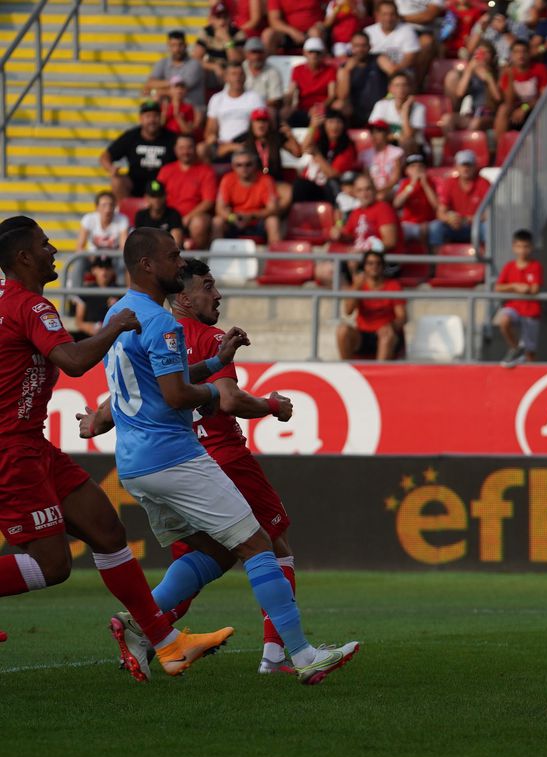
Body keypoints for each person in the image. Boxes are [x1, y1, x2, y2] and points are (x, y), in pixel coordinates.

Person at [92, 227, 359, 684]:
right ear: (147, 265)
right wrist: (214, 396)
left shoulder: (119, 314)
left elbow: (158, 380)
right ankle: (299, 655)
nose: (180, 263)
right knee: (259, 545)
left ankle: (143, 627)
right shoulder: (162, 323)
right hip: (175, 456)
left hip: (134, 464)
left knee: (216, 552)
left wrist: (217, 363)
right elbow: (176, 394)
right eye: (173, 256)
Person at [0, 215, 233, 680]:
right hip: (11, 450)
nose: (54, 252)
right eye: (46, 245)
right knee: (53, 565)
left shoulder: (11, 303)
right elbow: (71, 362)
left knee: (106, 530)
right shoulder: (29, 307)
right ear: (24, 257)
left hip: (31, 444)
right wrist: (117, 326)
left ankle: (166, 645)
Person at [79, 257, 300, 674]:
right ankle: (281, 654)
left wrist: (98, 419)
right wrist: (272, 405)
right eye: (207, 285)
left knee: (205, 558)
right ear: (183, 295)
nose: (217, 294)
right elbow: (226, 399)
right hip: (214, 458)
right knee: (273, 545)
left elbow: (146, 390)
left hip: (166, 463)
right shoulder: (197, 335)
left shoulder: (139, 324)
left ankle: (145, 634)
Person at [336, 249, 407, 360]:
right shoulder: (358, 286)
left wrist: (390, 326)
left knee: (386, 335)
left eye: (378, 263)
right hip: (363, 335)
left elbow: (402, 317)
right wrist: (356, 288)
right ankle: (346, 370)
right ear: (364, 267)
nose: (374, 267)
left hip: (386, 334)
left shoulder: (393, 286)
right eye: (370, 263)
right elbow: (348, 311)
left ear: (383, 266)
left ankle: (379, 374)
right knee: (342, 330)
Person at [101, 101, 178, 200]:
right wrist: (111, 168)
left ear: (161, 118)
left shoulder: (171, 137)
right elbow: (105, 156)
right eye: (148, 116)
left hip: (164, 185)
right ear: (141, 119)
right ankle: (123, 213)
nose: (152, 120)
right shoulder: (131, 136)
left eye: (155, 116)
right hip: (135, 183)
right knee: (117, 181)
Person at [155, 134, 218, 250]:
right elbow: (156, 194)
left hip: (193, 217)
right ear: (175, 150)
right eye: (181, 148)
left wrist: (188, 217)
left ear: (195, 149)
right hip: (168, 216)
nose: (185, 151)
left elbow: (209, 201)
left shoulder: (206, 171)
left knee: (199, 223)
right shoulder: (166, 170)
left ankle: (197, 261)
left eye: (189, 147)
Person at [234, 106, 304, 209]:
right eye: (257, 121)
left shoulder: (275, 137)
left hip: (274, 181)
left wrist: (290, 136)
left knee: (289, 192)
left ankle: (272, 212)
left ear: (269, 124)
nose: (261, 125)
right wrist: (237, 147)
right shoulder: (246, 138)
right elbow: (221, 150)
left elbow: (298, 153)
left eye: (264, 121)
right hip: (254, 181)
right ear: (252, 124)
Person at [493, 228, 542, 366]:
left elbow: (534, 288)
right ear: (514, 247)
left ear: (531, 247)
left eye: (526, 246)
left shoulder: (535, 266)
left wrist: (527, 289)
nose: (522, 250)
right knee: (504, 321)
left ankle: (530, 376)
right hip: (513, 307)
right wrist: (515, 286)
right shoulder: (509, 266)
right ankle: (515, 348)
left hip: (530, 311)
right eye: (519, 246)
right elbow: (498, 287)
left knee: (530, 352)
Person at [203, 61, 267, 162]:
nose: (237, 77)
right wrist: (212, 137)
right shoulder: (217, 99)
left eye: (240, 74)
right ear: (226, 78)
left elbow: (261, 125)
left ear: (245, 77)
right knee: (202, 149)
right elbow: (210, 129)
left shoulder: (254, 98)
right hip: (224, 144)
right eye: (233, 74)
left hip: (248, 142)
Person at [213, 148, 282, 242]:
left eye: (248, 164)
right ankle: (216, 256)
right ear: (233, 166)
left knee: (273, 221)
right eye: (239, 165)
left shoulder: (266, 180)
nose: (244, 169)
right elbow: (220, 209)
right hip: (234, 220)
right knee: (217, 222)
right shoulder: (227, 179)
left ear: (255, 165)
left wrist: (251, 216)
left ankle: (275, 256)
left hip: (258, 221)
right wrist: (233, 218)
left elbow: (273, 209)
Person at [294, 108, 359, 203]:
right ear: (324, 124)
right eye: (331, 122)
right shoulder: (320, 138)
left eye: (338, 122)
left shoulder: (347, 147)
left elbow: (332, 174)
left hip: (328, 190)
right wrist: (313, 126)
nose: (335, 126)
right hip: (310, 182)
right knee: (298, 185)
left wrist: (316, 154)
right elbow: (304, 148)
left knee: (301, 186)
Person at [429, 149, 490, 247]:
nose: (465, 169)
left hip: (475, 225)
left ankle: (487, 260)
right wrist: (449, 219)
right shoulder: (449, 183)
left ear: (474, 167)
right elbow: (440, 212)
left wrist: (467, 220)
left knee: (487, 227)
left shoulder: (483, 183)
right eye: (462, 165)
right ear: (456, 167)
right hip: (454, 225)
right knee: (435, 227)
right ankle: (436, 261)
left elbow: (490, 213)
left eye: (468, 165)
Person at [333, 174, 402, 252]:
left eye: (368, 189)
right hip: (360, 257)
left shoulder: (383, 208)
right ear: (355, 193)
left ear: (375, 190)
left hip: (381, 260)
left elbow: (390, 242)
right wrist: (339, 235)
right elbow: (348, 235)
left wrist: (363, 251)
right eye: (360, 190)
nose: (364, 194)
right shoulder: (356, 212)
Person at [495, 39, 547, 136]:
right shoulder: (508, 73)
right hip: (515, 111)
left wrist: (525, 107)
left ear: (529, 54)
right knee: (503, 109)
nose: (521, 55)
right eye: (516, 52)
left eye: (524, 51)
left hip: (535, 109)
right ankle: (501, 148)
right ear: (511, 55)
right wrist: (510, 77)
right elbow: (509, 102)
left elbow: (544, 97)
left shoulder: (540, 69)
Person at [335, 31, 390, 127]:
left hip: (380, 110)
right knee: (339, 105)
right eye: (356, 46)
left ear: (370, 46)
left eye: (363, 46)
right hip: (356, 112)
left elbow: (395, 74)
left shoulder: (379, 59)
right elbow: (342, 96)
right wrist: (347, 72)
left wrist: (390, 96)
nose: (360, 49)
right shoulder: (344, 68)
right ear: (351, 47)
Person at [445, 40, 502, 132]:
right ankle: (452, 145)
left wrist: (488, 78)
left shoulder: (498, 72)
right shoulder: (472, 73)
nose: (482, 56)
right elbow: (459, 93)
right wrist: (469, 70)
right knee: (447, 119)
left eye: (486, 52)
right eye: (480, 52)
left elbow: (498, 98)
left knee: (475, 124)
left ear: (492, 56)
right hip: (473, 113)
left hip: (490, 115)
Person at [144, 30, 206, 109]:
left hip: (191, 109)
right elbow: (149, 83)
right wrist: (171, 84)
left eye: (180, 45)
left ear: (186, 45)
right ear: (168, 46)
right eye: (173, 45)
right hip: (171, 108)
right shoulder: (163, 62)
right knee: (152, 102)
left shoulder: (194, 65)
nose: (177, 49)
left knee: (156, 96)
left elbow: (180, 90)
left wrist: (157, 91)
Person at [368, 71, 427, 153]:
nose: (401, 89)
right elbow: (375, 133)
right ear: (390, 88)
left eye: (404, 85)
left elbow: (408, 136)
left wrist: (405, 111)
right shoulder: (381, 105)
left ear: (410, 88)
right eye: (397, 85)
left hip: (415, 150)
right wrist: (397, 136)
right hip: (388, 146)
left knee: (407, 142)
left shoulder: (419, 108)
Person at [285, 37, 337, 127]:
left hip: (323, 109)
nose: (314, 55)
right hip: (303, 109)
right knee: (285, 115)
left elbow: (332, 95)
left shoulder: (330, 70)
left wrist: (319, 108)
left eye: (317, 52)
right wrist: (287, 105)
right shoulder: (297, 69)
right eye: (311, 52)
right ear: (305, 53)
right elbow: (291, 91)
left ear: (323, 54)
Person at [393, 152, 440, 246]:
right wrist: (412, 184)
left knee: (436, 227)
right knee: (397, 230)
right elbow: (397, 204)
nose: (417, 169)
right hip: (409, 223)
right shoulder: (405, 183)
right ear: (407, 171)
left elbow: (437, 206)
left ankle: (435, 258)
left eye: (420, 166)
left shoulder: (431, 182)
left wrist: (425, 185)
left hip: (429, 223)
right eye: (413, 166)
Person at [364, 0, 421, 75]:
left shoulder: (407, 31)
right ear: (377, 15)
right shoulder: (368, 32)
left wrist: (393, 71)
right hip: (373, 74)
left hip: (400, 75)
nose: (388, 18)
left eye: (392, 14)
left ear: (397, 15)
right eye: (384, 14)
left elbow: (410, 58)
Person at [77, 191, 130, 269]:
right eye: (104, 205)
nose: (108, 209)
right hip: (93, 258)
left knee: (122, 263)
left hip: (114, 258)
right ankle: (75, 281)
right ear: (97, 207)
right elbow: (80, 246)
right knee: (79, 262)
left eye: (111, 205)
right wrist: (93, 261)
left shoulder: (122, 220)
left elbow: (123, 247)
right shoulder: (88, 219)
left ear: (115, 207)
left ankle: (121, 281)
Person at [73, 258, 120, 339]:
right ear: (93, 270)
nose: (104, 272)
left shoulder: (120, 292)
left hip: (114, 336)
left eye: (107, 268)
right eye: (100, 268)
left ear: (112, 271)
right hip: (90, 336)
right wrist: (90, 327)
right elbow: (79, 321)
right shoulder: (85, 291)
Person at [134, 180, 186, 247]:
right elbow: (139, 242)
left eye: (159, 195)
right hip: (147, 254)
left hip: (168, 255)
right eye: (153, 196)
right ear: (146, 198)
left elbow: (176, 243)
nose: (156, 200)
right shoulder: (140, 216)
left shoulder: (173, 215)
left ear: (165, 196)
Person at [243, 37, 285, 111]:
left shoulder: (273, 72)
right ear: (246, 54)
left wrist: (255, 106)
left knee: (271, 111)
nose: (257, 56)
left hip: (263, 109)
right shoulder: (240, 70)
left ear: (264, 54)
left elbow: (275, 100)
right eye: (253, 52)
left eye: (259, 52)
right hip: (242, 107)